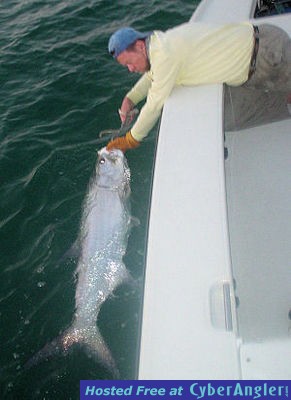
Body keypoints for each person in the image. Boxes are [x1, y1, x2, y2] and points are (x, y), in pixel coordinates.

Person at [106, 22, 291, 152]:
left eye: (129, 63)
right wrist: (130, 98)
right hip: (260, 55)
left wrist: (131, 139)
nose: (130, 69)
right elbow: (151, 75)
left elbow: (154, 104)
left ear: (139, 46)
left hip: (270, 54)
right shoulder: (159, 45)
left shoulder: (165, 54)